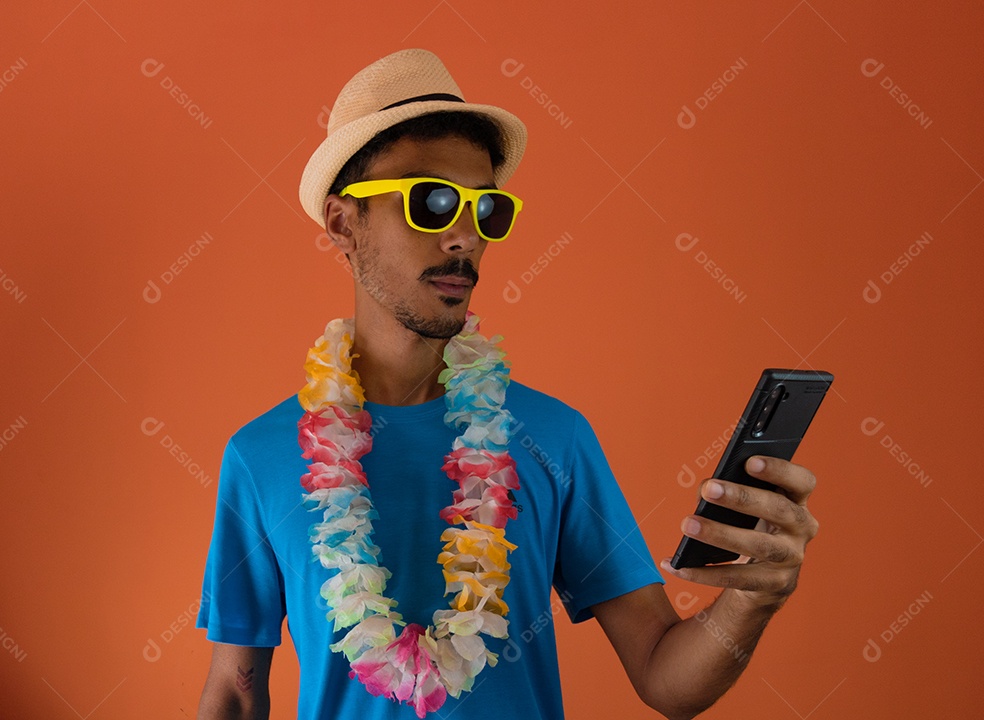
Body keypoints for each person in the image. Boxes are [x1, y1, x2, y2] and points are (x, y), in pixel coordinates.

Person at [194, 48, 820, 720]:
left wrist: (753, 598)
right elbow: (235, 691)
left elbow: (666, 680)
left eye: (486, 209)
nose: (465, 237)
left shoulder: (553, 438)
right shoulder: (260, 457)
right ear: (344, 223)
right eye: (432, 202)